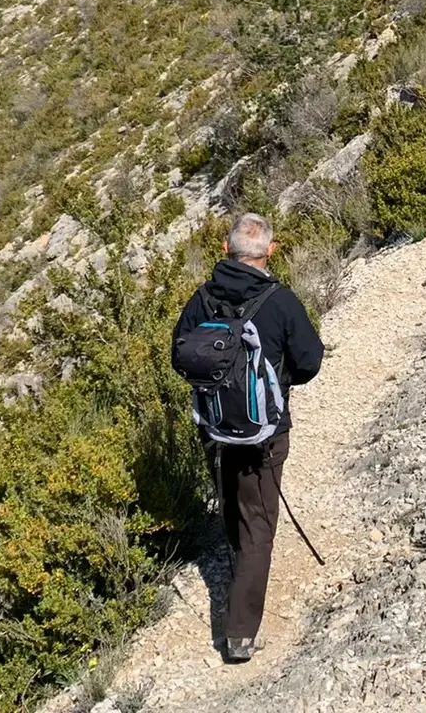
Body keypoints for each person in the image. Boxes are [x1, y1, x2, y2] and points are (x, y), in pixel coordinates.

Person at [173, 212, 324, 663]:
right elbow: (310, 361)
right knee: (259, 525)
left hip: (214, 429)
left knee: (233, 506)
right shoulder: (279, 301)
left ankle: (239, 571)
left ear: (226, 250)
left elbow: (179, 356)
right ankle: (239, 633)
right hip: (264, 434)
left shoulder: (202, 299)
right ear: (270, 253)